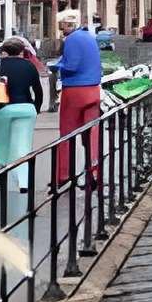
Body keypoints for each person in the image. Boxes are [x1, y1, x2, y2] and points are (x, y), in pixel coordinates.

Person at [50, 11, 106, 190]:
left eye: (62, 26)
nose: (61, 30)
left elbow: (71, 66)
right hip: (93, 90)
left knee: (67, 134)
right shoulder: (89, 37)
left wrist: (56, 66)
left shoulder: (71, 40)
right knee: (92, 134)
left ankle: (64, 174)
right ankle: (94, 172)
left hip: (75, 91)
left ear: (68, 26)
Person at [0, 36, 44, 173]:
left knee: (2, 141)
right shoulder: (29, 65)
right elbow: (38, 91)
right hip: (27, 108)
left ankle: (3, 169)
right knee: (24, 143)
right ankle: (23, 180)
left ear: (5, 51)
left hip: (5, 109)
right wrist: (36, 108)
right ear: (21, 52)